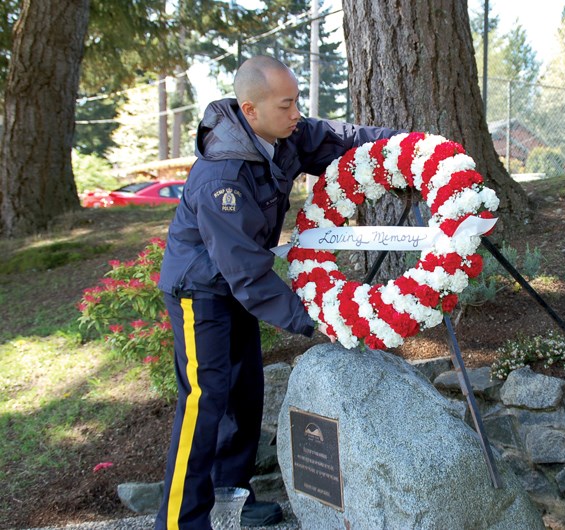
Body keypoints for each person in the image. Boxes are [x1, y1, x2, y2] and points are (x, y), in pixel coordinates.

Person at [155, 55, 399, 529]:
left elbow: (340, 138)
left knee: (244, 396)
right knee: (204, 401)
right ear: (250, 110)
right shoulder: (222, 178)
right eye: (287, 104)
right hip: (201, 291)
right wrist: (316, 317)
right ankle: (180, 521)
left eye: (296, 103)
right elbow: (246, 273)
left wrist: (405, 144)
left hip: (234, 285)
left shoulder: (283, 135)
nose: (296, 114)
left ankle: (231, 504)